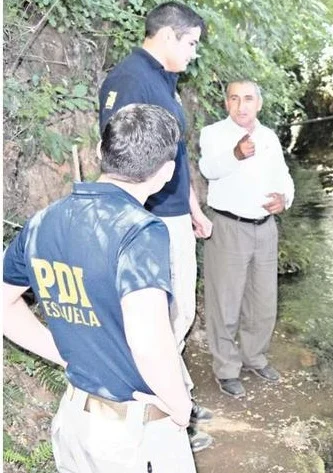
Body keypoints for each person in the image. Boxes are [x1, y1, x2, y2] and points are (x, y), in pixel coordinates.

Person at [3, 104, 196, 473]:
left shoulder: (43, 221)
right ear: (167, 173)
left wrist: (63, 353)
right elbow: (148, 340)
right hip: (132, 438)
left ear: (98, 153)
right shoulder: (140, 231)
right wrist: (180, 405)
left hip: (75, 423)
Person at [98, 1, 214, 450]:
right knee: (164, 317)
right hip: (151, 219)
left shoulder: (162, 80)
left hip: (173, 212)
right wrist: (146, 219)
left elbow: (173, 153)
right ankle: (164, 412)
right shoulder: (132, 80)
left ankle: (175, 393)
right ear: (167, 36)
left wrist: (193, 208)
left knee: (177, 311)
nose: (194, 53)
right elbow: (124, 160)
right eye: (191, 43)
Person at [199, 80, 294, 398]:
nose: (242, 105)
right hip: (229, 226)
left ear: (259, 104)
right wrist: (235, 155)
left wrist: (285, 199)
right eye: (235, 99)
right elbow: (208, 169)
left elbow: (284, 177)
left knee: (263, 300)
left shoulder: (268, 137)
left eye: (248, 99)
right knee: (225, 302)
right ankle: (226, 369)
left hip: (265, 228)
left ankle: (255, 357)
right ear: (226, 103)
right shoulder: (213, 134)